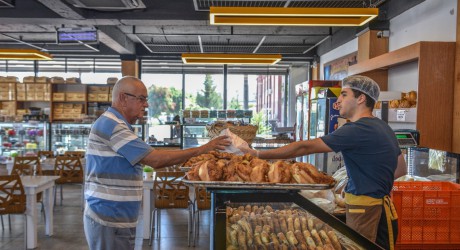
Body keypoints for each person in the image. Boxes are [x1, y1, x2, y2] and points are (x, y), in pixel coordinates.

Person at [243, 75, 406, 250]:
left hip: (364, 210)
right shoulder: (383, 127)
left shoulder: (355, 129)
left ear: (361, 98)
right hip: (382, 209)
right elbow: (400, 168)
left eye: (344, 94)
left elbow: (304, 148)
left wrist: (258, 153)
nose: (339, 100)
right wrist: (366, 179)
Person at [83, 76, 230, 250]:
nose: (146, 104)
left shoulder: (116, 124)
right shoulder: (113, 125)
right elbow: (155, 160)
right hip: (109, 220)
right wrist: (202, 149)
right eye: (141, 99)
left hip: (115, 219)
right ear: (123, 98)